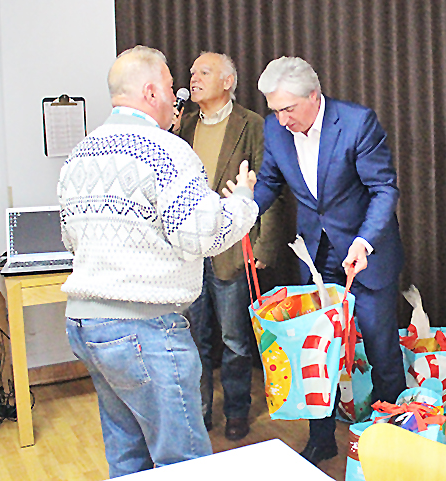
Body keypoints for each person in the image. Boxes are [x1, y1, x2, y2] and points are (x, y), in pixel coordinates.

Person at [58, 45, 258, 478]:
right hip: (143, 329)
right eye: (170, 87)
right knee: (181, 463)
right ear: (150, 92)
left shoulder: (79, 156)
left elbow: (71, 237)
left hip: (86, 327)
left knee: (127, 456)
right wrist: (242, 201)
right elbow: (203, 234)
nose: (178, 94)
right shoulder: (167, 151)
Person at [253, 56, 405, 465]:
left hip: (364, 254)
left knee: (380, 348)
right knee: (314, 356)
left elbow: (383, 189)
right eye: (275, 110)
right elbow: (269, 181)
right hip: (316, 255)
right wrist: (242, 212)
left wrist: (365, 241)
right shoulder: (275, 128)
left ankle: (391, 439)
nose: (282, 120)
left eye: (288, 109)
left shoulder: (357, 123)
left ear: (314, 96)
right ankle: (322, 440)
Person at [175, 51, 283, 441]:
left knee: (234, 339)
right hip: (189, 252)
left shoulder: (252, 125)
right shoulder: (182, 127)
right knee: (193, 338)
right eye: (192, 72)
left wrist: (264, 249)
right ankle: (200, 410)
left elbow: (269, 189)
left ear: (227, 82)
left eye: (203, 72)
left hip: (233, 252)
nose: (193, 77)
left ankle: (237, 410)